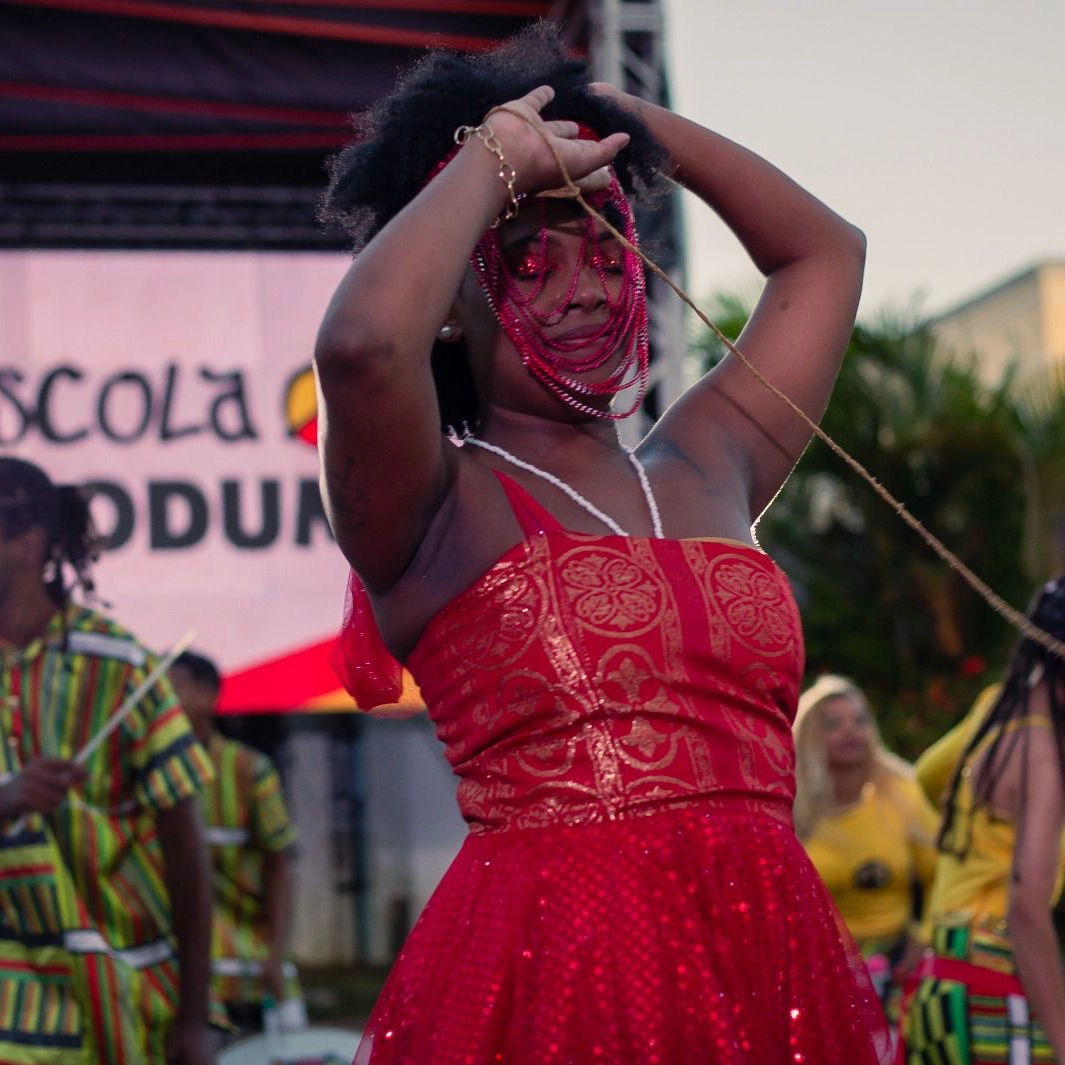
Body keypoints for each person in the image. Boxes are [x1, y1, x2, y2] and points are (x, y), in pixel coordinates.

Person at [314, 25, 885, 1064]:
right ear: (451, 308)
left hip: (769, 961)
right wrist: (496, 157)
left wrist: (615, 123)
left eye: (607, 248)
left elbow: (826, 251)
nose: (584, 287)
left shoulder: (711, 460)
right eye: (529, 262)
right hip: (558, 982)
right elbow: (358, 347)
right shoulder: (438, 501)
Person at [0, 457, 219, 1065]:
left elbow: (186, 849)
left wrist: (194, 1019)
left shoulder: (119, 668)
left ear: (27, 542)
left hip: (114, 993)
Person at [896, 578, 1065, 1065]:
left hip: (938, 985)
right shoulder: (1043, 756)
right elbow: (1027, 911)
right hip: (995, 984)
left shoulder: (998, 718)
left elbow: (926, 775)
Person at [167, 650, 305, 1037]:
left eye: (175, 687)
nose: (163, 700)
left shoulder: (247, 769)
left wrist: (276, 955)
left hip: (239, 971)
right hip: (170, 970)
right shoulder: (147, 772)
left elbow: (279, 864)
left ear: (209, 696)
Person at [793, 675, 940, 1010]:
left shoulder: (900, 790)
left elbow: (942, 870)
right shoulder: (791, 806)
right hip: (818, 973)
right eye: (833, 724)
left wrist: (926, 937)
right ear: (810, 737)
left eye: (859, 720)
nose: (850, 730)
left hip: (899, 967)